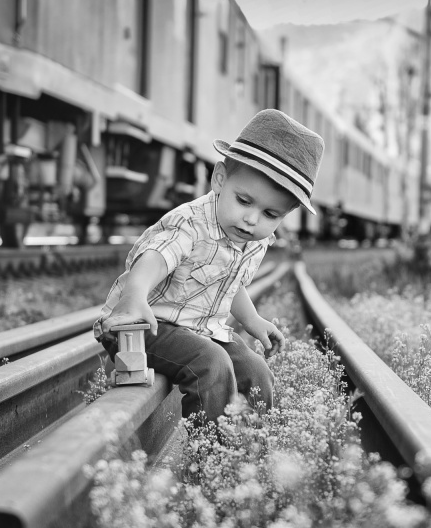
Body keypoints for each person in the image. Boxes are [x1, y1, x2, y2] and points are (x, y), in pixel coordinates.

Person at [94, 109, 324, 423]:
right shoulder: (190, 224)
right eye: (244, 201)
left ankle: (256, 440)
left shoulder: (253, 239)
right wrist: (134, 296)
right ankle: (210, 446)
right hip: (143, 325)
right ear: (220, 179)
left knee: (257, 371)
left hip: (198, 329)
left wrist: (252, 320)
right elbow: (156, 258)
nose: (251, 219)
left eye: (271, 214)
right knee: (212, 363)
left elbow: (230, 282)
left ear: (287, 213)